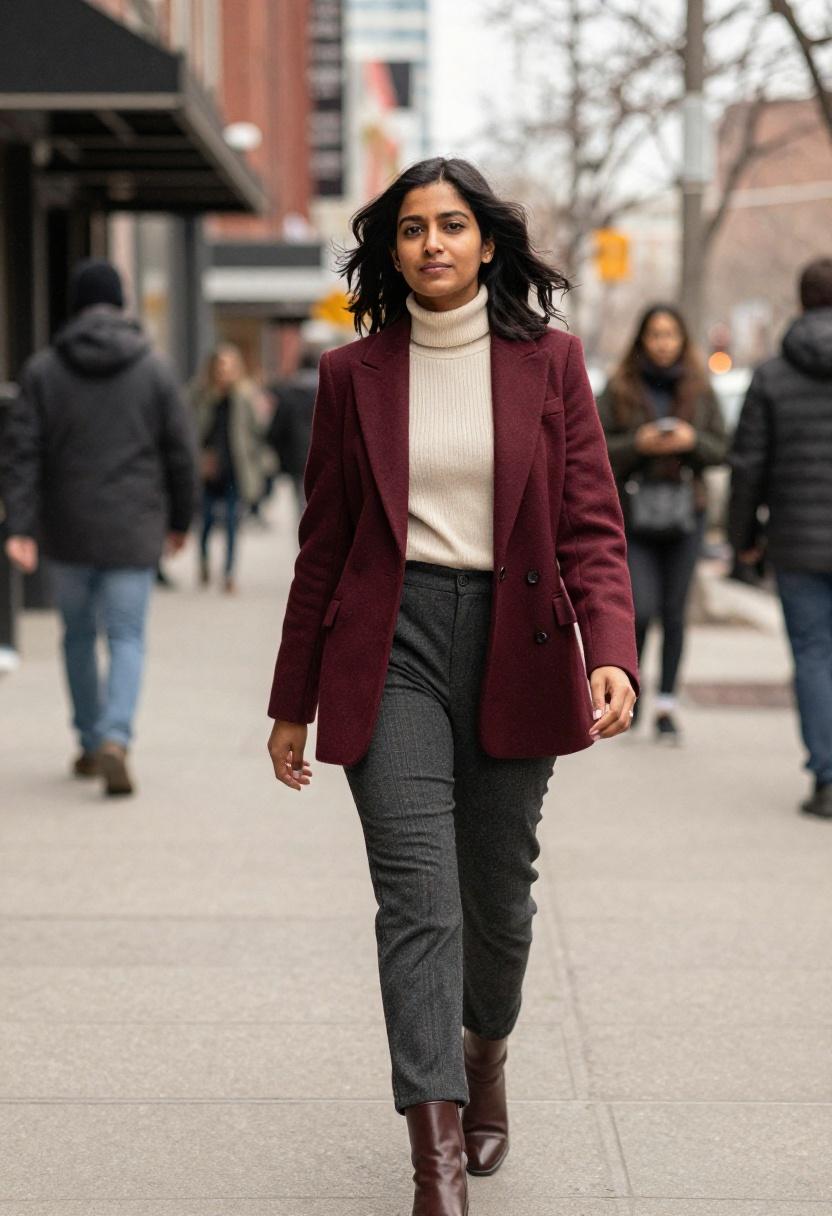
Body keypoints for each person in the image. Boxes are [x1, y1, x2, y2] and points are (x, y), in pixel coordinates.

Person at [265, 157, 639, 1215]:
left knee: (499, 901)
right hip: (391, 646)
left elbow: (589, 522)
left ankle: (485, 1053)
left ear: (486, 243)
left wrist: (611, 647)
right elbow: (323, 546)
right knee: (417, 900)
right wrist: (292, 698)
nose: (432, 242)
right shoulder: (352, 376)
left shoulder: (550, 362)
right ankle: (433, 1162)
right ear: (390, 251)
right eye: (412, 228)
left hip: (518, 639)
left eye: (452, 225)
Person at [3, 258, 196, 796]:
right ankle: (116, 736)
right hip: (133, 527)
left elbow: (21, 454)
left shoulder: (43, 371)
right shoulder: (154, 369)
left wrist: (20, 527)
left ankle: (90, 742)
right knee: (127, 635)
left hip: (67, 528)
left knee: (78, 635)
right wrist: (181, 521)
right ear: (121, 303)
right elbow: (180, 453)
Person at [729, 258, 832, 819]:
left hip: (797, 540)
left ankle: (827, 778)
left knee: (814, 655)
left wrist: (743, 539)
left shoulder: (772, 375)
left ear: (802, 298)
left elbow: (748, 465)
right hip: (799, 539)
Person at [596, 305, 726, 744]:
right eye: (655, 334)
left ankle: (667, 706)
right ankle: (633, 692)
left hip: (687, 515)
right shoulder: (620, 388)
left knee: (674, 612)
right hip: (635, 516)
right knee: (642, 609)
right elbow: (595, 446)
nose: (663, 343)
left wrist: (692, 441)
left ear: (682, 340)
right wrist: (639, 444)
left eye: (671, 334)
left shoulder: (700, 388)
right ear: (642, 339)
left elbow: (722, 448)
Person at [189, 344, 264, 593]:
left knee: (233, 523)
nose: (225, 372)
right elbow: (191, 429)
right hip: (208, 469)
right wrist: (200, 457)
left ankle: (229, 574)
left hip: (235, 468)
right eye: (221, 367)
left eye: (230, 367)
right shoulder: (201, 395)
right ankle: (203, 562)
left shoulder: (244, 396)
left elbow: (256, 431)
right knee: (206, 521)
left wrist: (257, 463)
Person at [265, 350, 319, 519]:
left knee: (301, 499)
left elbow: (277, 426)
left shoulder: (289, 393)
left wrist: (278, 448)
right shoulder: (327, 389)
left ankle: (305, 526)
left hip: (296, 455)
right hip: (321, 453)